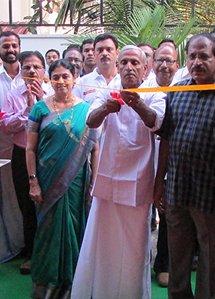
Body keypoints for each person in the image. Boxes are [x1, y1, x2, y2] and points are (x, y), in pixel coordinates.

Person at [153, 33, 215, 299]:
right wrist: (158, 183)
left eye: (204, 56)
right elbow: (167, 140)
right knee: (178, 262)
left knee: (211, 265)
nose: (196, 62)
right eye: (192, 56)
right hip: (177, 192)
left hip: (214, 197)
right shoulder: (177, 92)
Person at [72, 45, 166, 299]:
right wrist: (105, 108)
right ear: (117, 66)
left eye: (135, 63)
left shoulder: (154, 91)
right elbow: (90, 121)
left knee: (134, 247)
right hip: (109, 181)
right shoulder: (108, 90)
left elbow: (156, 122)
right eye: (123, 62)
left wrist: (136, 104)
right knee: (103, 242)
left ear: (145, 68)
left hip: (139, 182)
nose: (128, 67)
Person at [26, 59, 99, 299]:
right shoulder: (40, 108)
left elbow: (95, 148)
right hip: (47, 179)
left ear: (74, 78)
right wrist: (33, 181)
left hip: (76, 180)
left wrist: (93, 182)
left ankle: (73, 284)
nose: (61, 81)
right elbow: (29, 149)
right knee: (48, 228)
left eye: (65, 76)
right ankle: (46, 284)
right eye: (55, 76)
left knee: (75, 226)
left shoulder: (86, 109)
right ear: (50, 79)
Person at [0, 51, 50, 275]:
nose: (31, 71)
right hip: (21, 156)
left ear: (44, 71)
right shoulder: (12, 94)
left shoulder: (53, 92)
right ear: (20, 71)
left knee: (49, 203)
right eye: (27, 67)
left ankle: (50, 252)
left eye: (36, 67)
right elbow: (6, 126)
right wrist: (28, 110)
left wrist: (40, 103)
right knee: (27, 205)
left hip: (49, 155)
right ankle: (31, 253)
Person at [0, 31, 25, 267]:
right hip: (1, 148)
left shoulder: (31, 76)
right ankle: (5, 246)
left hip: (27, 148)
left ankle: (26, 244)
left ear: (19, 47)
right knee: (3, 198)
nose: (10, 49)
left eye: (14, 45)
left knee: (25, 197)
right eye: (5, 46)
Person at [146, 44, 179, 288]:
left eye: (170, 61)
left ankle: (163, 265)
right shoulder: (143, 86)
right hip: (142, 161)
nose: (164, 65)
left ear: (177, 65)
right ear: (152, 63)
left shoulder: (184, 89)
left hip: (172, 163)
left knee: (166, 215)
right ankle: (139, 262)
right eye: (160, 60)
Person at [73, 33, 120, 104]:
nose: (104, 53)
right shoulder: (82, 83)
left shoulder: (124, 81)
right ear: (94, 54)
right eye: (100, 50)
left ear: (117, 53)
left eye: (109, 49)